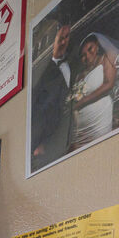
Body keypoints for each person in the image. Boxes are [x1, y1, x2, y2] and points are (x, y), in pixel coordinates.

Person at [30, 23, 74, 170]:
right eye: (60, 38)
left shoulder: (73, 62)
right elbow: (38, 111)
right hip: (48, 140)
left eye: (67, 37)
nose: (63, 42)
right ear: (53, 40)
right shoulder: (42, 73)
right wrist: (41, 143)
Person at [70, 33, 117, 150]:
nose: (88, 56)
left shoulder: (107, 58)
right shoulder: (79, 76)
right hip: (81, 128)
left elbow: (108, 84)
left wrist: (83, 101)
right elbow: (74, 101)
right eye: (83, 55)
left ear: (97, 45)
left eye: (90, 49)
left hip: (100, 119)